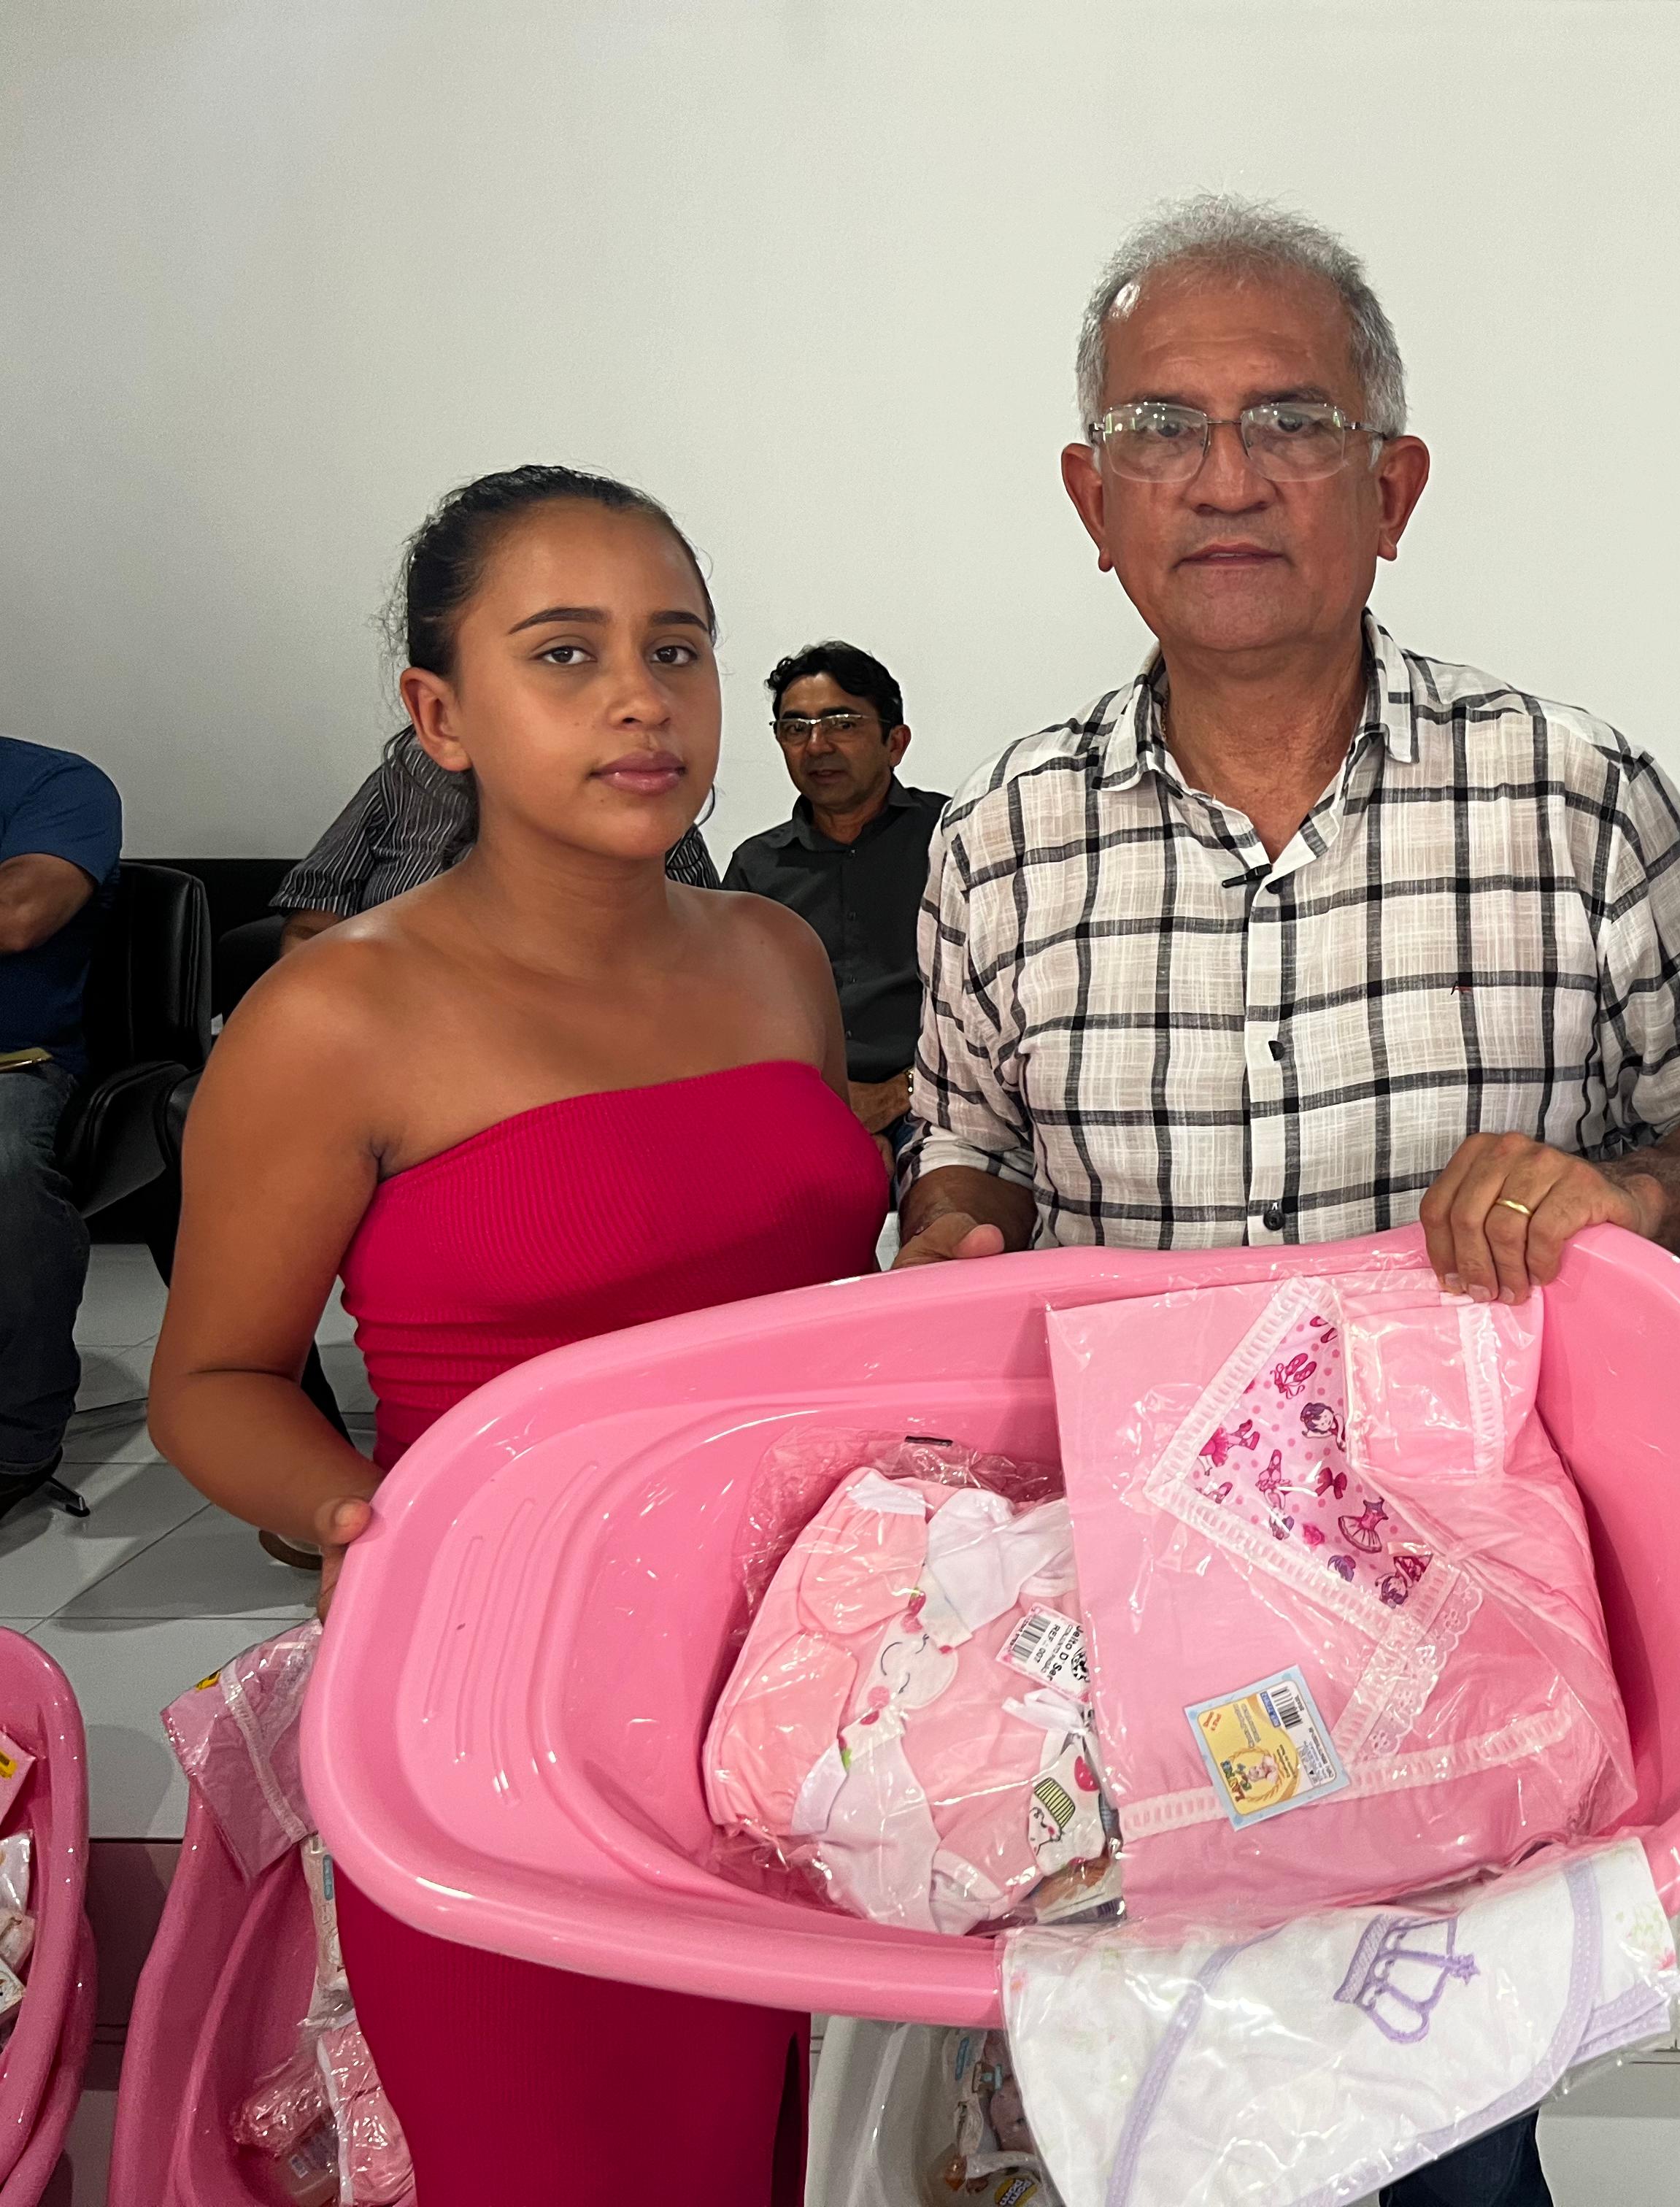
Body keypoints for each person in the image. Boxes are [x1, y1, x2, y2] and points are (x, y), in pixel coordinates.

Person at [900, 196, 1680, 2206]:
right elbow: (964, 1147)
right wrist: (954, 1228)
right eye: (1161, 429)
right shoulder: (1003, 839)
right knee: (1162, 2137)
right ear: (1092, 500)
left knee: (1452, 2148)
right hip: (1131, 1641)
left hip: (1474, 1639)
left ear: (1393, 489)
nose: (1226, 479)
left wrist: (1622, 1188)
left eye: (1292, 422)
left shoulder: (1574, 795)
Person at [151, 465, 882, 2205]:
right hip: (506, 1706)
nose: (642, 699)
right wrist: (359, 1522)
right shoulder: (338, 1013)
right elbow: (212, 1381)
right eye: (565, 654)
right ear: (441, 716)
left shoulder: (774, 955)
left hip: (796, 1693)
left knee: (769, 2150)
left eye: (677, 650)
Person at [724, 641, 942, 1158]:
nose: (816, 745)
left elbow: (1005, 1001)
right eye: (795, 728)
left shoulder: (951, 839)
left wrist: (903, 1092)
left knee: (942, 1192)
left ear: (895, 742)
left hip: (941, 1100)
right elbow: (733, 1020)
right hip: (799, 1107)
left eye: (842, 723)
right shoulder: (757, 868)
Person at [273, 722, 717, 950]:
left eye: (670, 654)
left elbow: (701, 949)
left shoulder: (644, 798)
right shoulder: (410, 777)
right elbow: (312, 922)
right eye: (560, 657)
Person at [0, 736, 122, 1518]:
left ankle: (17, 1435)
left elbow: (20, 914)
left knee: (2, 1158)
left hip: (13, 1064)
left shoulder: (57, 783)